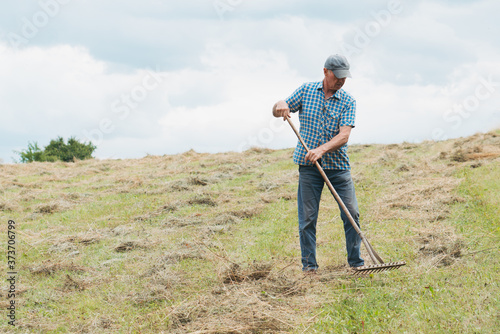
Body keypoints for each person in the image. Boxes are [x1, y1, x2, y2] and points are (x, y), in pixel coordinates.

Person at [272, 54, 364, 273]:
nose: (341, 81)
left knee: (351, 213)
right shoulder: (306, 91)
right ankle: (310, 268)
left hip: (338, 167)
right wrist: (281, 105)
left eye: (345, 77)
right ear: (326, 72)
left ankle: (356, 263)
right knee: (308, 217)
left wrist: (321, 149)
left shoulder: (348, 101)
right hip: (309, 168)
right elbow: (279, 107)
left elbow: (344, 136)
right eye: (338, 76)